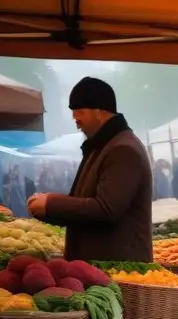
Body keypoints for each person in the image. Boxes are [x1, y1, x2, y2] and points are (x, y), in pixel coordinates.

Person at [28, 77, 152, 262]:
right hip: (100, 268)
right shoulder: (101, 146)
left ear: (99, 112)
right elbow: (84, 202)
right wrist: (49, 208)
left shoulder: (123, 150)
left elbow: (106, 209)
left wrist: (52, 204)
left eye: (79, 111)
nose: (75, 119)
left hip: (119, 271)